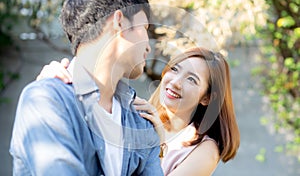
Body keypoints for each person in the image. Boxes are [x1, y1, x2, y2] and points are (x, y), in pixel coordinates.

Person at [10, 0, 163, 175]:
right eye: (144, 29)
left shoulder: (140, 123)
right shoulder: (46, 99)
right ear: (119, 22)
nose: (149, 46)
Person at [38, 46, 240, 175]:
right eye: (175, 69)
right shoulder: (139, 113)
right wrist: (56, 81)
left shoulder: (206, 150)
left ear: (207, 97)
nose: (176, 82)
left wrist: (158, 145)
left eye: (191, 79)